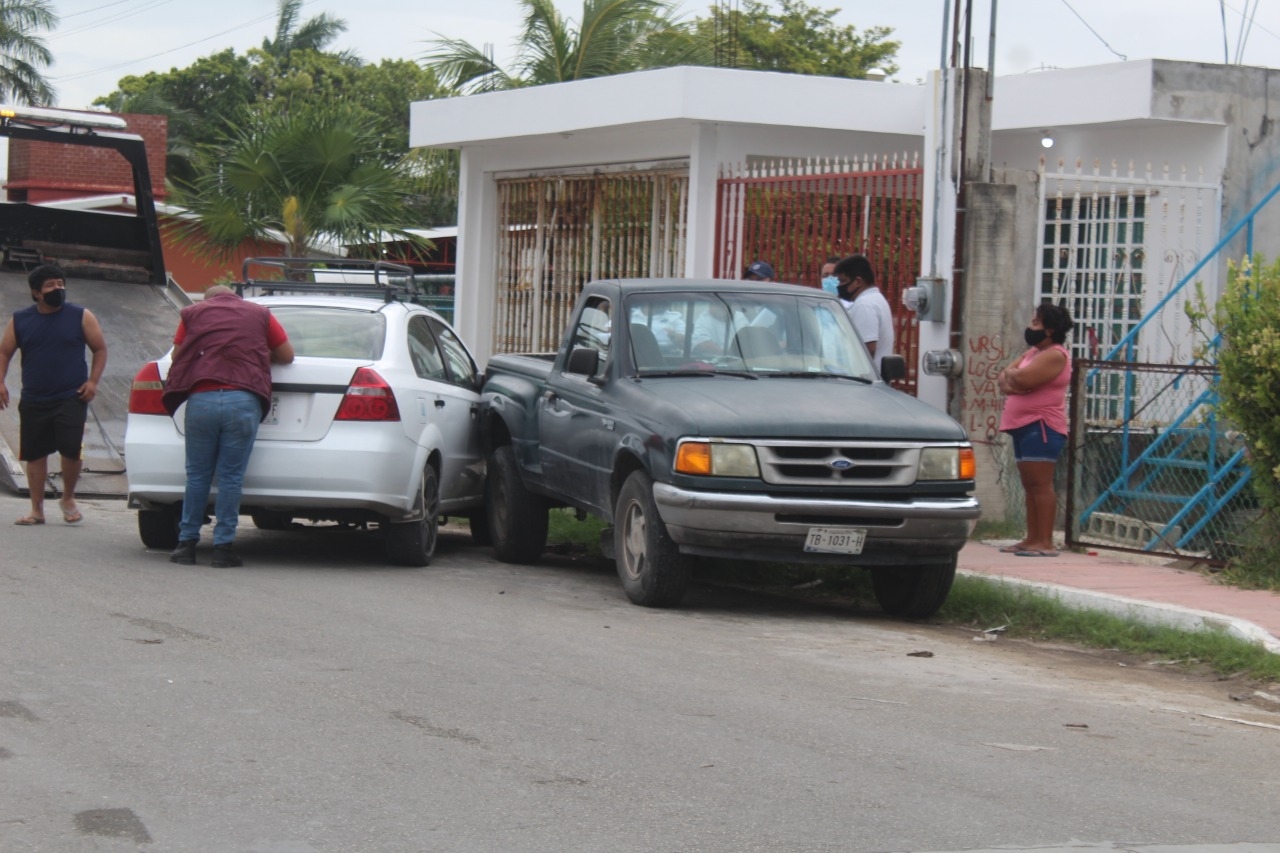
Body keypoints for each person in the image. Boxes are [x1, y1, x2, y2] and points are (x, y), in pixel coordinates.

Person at [162, 285, 295, 567]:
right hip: (242, 400)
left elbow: (177, 356)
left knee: (197, 475)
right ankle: (223, 548)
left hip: (202, 400)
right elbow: (286, 356)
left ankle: (186, 545)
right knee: (231, 477)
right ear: (236, 298)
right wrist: (256, 355)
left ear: (208, 301)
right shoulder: (260, 314)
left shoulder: (192, 314)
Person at [0, 264, 107, 527]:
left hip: (72, 395)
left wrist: (93, 382)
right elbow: (4, 352)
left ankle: (68, 499)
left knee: (71, 449)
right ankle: (36, 510)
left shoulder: (81, 316)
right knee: (34, 454)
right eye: (50, 286)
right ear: (36, 293)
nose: (58, 289)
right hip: (34, 396)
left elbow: (100, 349)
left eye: (60, 284)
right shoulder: (21, 319)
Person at [997, 302, 1074, 558]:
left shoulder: (1055, 355)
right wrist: (1011, 374)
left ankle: (1045, 541)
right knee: (1029, 484)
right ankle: (1031, 538)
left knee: (1040, 484)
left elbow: (1021, 378)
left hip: (1041, 427)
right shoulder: (1033, 353)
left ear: (1050, 330)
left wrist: (1013, 375)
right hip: (1022, 427)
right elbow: (1004, 378)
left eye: (1036, 323)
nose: (1030, 328)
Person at [833, 253, 895, 374]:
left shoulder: (865, 305)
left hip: (864, 381)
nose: (839, 286)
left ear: (857, 281)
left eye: (842, 281)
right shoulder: (876, 299)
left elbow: (868, 349)